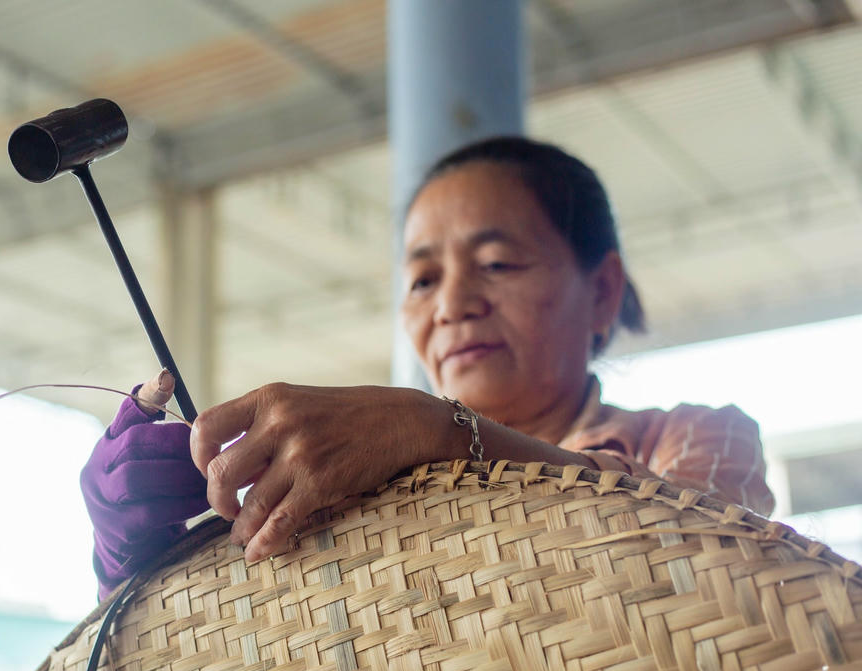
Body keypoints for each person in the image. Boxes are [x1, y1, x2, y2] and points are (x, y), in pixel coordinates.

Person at [81, 136, 774, 599]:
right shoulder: (349, 483)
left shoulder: (696, 439)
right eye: (420, 280)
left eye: (498, 264)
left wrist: (441, 430)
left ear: (601, 292)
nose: (451, 305)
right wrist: (133, 562)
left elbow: (712, 569)